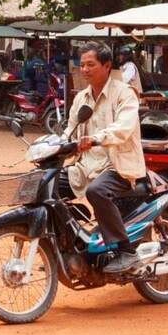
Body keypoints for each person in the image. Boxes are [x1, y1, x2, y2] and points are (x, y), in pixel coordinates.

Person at [67, 43, 146, 273]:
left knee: (97, 191)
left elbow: (123, 128)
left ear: (107, 65)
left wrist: (95, 139)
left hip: (118, 165)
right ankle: (66, 245)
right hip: (86, 165)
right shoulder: (81, 98)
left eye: (90, 64)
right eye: (81, 65)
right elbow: (69, 131)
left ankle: (126, 251)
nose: (84, 69)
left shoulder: (125, 94)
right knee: (48, 182)